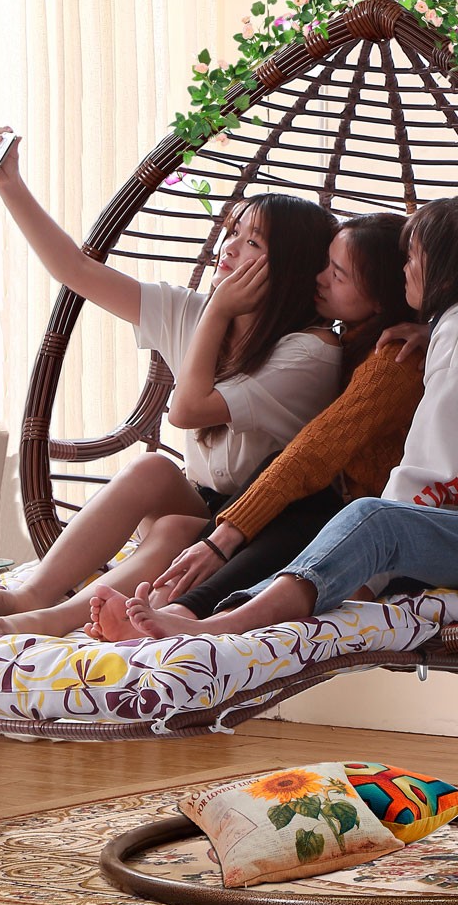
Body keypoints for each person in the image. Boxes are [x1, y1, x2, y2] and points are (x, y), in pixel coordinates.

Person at [111, 192, 458, 642]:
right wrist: (434, 329)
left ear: (446, 275)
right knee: (336, 508)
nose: (405, 269)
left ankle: (222, 624)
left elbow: (430, 472)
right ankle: (205, 607)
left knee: (373, 518)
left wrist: (373, 560)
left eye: (413, 257)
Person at [0, 127, 342, 636]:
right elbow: (76, 270)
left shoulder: (309, 352)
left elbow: (186, 411)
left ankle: (55, 620)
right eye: (232, 231)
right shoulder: (191, 311)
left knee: (173, 528)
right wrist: (9, 184)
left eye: (251, 241)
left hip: (264, 527)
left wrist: (217, 312)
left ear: (289, 270)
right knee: (153, 470)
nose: (228, 247)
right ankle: (34, 595)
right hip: (205, 506)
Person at [84, 212, 425, 641]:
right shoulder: (354, 342)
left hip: (368, 532)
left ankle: (182, 612)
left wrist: (222, 538)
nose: (319, 278)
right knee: (253, 498)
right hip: (321, 508)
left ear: (379, 299)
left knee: (304, 504)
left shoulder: (391, 361)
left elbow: (313, 453)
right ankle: (158, 605)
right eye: (325, 263)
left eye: (337, 275)